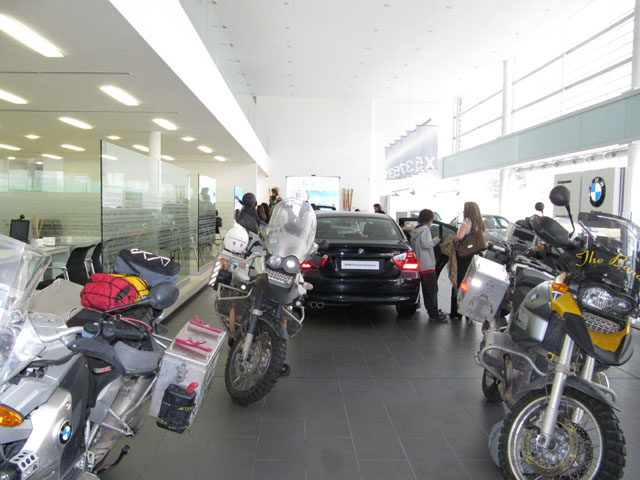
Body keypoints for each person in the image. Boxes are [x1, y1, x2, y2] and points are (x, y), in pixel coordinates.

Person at [450, 201, 485, 322]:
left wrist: (453, 238)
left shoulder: (467, 221)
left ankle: (457, 312)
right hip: (475, 256)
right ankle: (469, 313)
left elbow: (460, 237)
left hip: (464, 256)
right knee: (471, 283)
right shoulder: (480, 223)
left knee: (460, 282)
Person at [411, 209, 446, 322]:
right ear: (430, 220)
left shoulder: (415, 231)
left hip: (419, 265)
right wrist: (436, 240)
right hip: (427, 265)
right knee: (432, 290)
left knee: (426, 291)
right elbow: (427, 244)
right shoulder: (425, 230)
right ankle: (434, 314)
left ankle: (431, 312)